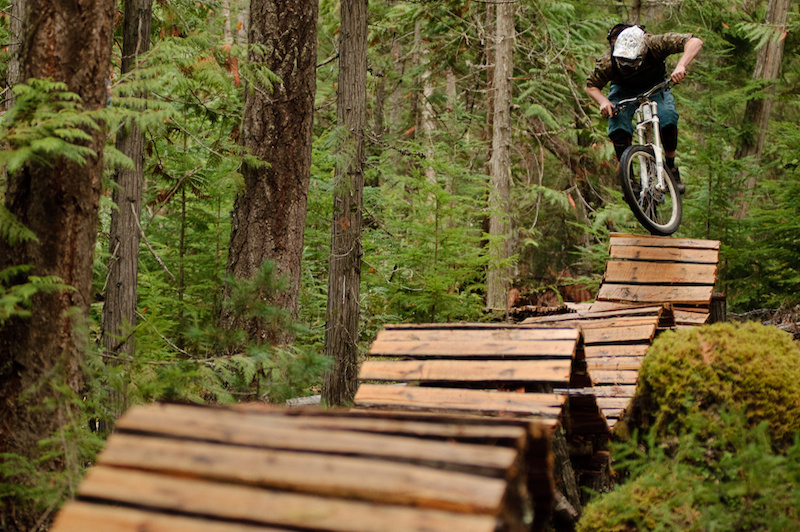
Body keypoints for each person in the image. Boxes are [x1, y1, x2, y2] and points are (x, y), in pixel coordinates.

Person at [585, 24, 703, 193]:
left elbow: (695, 42)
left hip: (656, 86)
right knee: (618, 124)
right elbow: (590, 86)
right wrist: (603, 101)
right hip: (623, 91)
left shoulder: (654, 44)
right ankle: (629, 179)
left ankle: (671, 167)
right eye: (622, 62)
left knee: (668, 118)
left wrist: (681, 65)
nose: (626, 66)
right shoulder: (607, 61)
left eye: (631, 62)